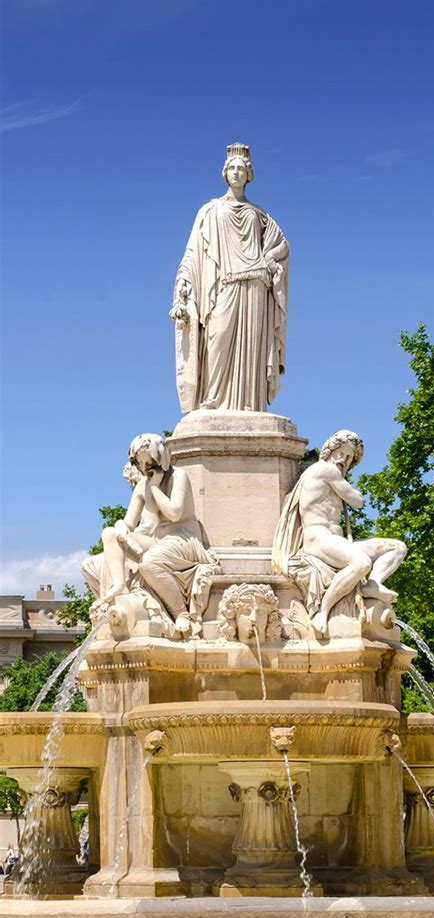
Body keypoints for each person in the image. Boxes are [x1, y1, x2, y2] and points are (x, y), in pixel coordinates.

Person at [170, 142, 289, 413]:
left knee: (251, 351)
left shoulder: (259, 215)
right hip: (224, 285)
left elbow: (283, 245)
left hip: (255, 285)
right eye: (232, 168)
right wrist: (184, 284)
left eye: (241, 169)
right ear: (225, 173)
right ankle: (212, 398)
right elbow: (193, 253)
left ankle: (250, 402)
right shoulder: (210, 210)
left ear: (249, 175)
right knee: (217, 338)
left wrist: (268, 259)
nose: (236, 173)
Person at [272, 429, 407, 637]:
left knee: (397, 548)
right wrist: (351, 490)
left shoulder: (328, 474)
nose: (343, 459)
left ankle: (373, 584)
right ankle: (322, 612)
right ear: (330, 449)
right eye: (341, 452)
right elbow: (357, 500)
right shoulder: (326, 469)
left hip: (336, 540)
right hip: (318, 539)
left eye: (349, 457)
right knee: (362, 563)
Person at [82, 433, 218, 636]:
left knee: (148, 563)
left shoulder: (178, 476)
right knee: (109, 533)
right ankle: (119, 585)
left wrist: (155, 487)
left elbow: (174, 513)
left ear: (160, 457)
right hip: (159, 541)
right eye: (141, 463)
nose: (146, 467)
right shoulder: (142, 486)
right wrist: (121, 527)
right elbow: (128, 521)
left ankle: (181, 612)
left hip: (184, 539)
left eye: (150, 461)